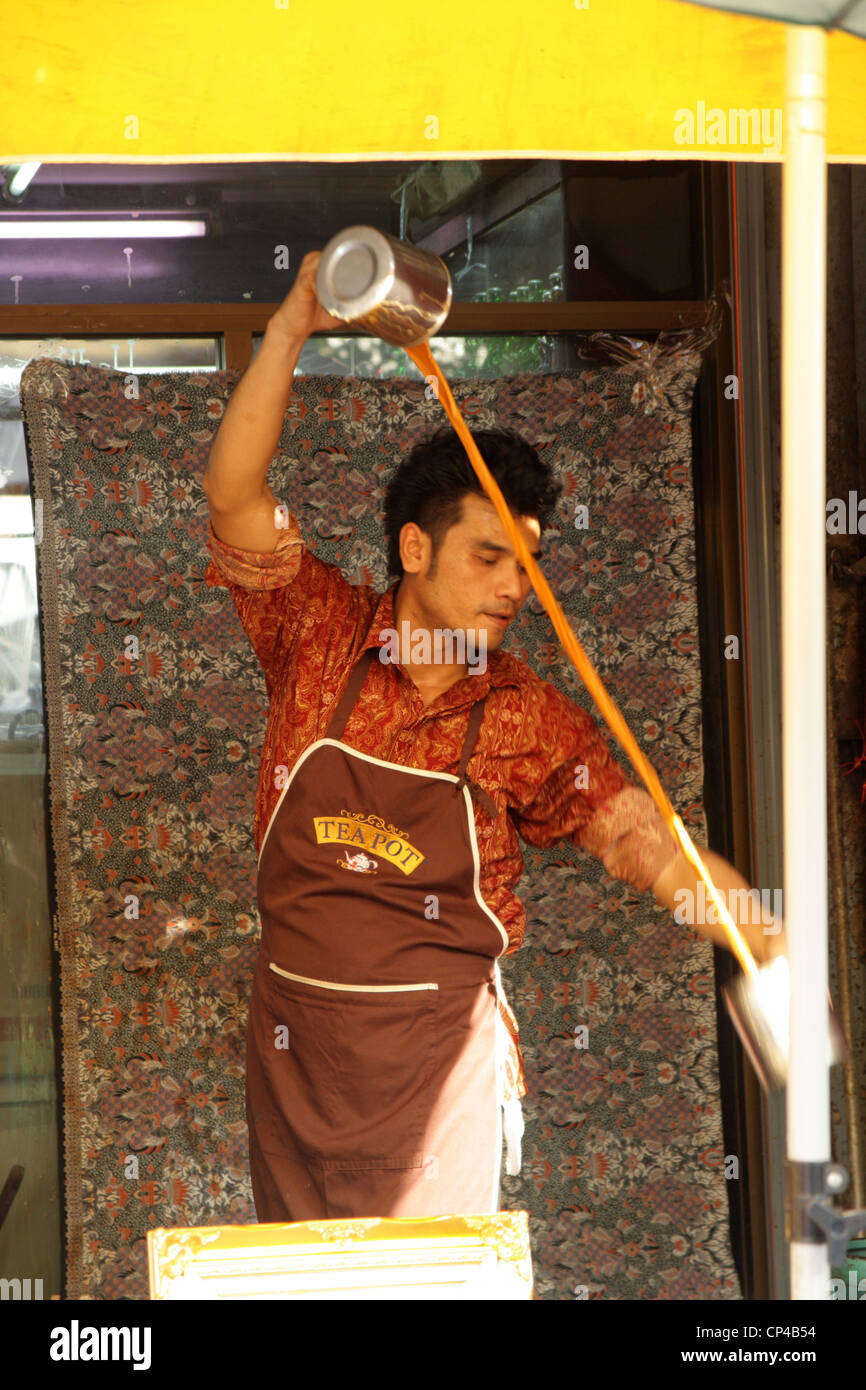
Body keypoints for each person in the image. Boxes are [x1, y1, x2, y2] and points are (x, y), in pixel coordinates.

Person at [202, 251, 785, 1223]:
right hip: (298, 1054)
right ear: (414, 548)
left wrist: (756, 932)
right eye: (488, 557)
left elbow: (645, 842)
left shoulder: (523, 715)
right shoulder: (315, 632)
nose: (515, 586)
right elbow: (231, 494)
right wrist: (295, 322)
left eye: (527, 564)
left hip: (442, 1068)